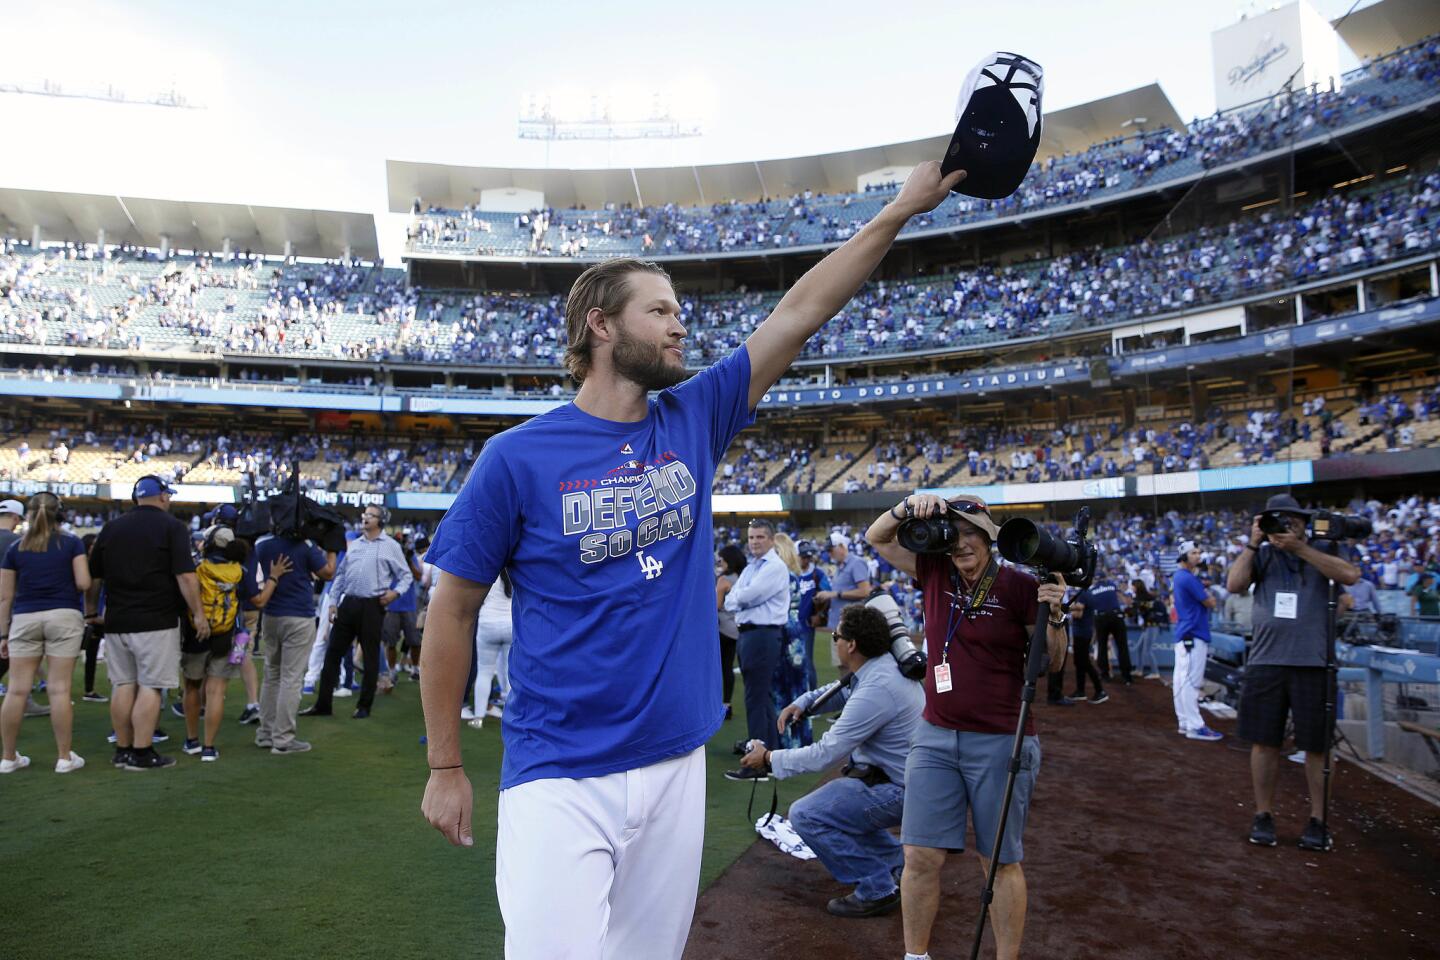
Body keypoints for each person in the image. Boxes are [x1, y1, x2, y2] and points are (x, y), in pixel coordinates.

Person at [418, 160, 963, 960]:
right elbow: (453, 610)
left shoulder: (694, 416)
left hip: (676, 762)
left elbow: (798, 314)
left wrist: (902, 209)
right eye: (661, 309)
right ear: (602, 326)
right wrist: (444, 764)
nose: (681, 325)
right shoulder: (515, 458)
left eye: (680, 309)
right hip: (559, 771)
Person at [866, 493, 1067, 960]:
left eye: (970, 532)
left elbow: (1052, 664)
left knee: (998, 860)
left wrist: (1054, 614)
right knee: (918, 855)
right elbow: (876, 537)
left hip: (1001, 738)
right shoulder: (934, 571)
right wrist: (906, 507)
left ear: (991, 537)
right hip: (935, 735)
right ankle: (915, 956)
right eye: (952, 532)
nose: (961, 543)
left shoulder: (1019, 586)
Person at [736, 604, 923, 918]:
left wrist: (768, 759)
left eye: (836, 635)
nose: (833, 640)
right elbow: (843, 689)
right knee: (841, 808)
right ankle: (896, 862)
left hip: (901, 789)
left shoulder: (877, 689)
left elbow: (823, 754)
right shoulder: (880, 666)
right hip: (901, 780)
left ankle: (877, 888)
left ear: (851, 645)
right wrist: (804, 702)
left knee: (807, 814)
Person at [1228, 493, 1360, 851]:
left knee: (1316, 746)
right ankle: (1263, 814)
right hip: (1266, 661)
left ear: (1303, 521)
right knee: (1263, 742)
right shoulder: (1263, 555)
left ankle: (1318, 820)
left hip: (1314, 662)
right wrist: (1253, 544)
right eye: (1277, 520)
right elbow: (1234, 584)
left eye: (1292, 520)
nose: (1285, 526)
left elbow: (1349, 575)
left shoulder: (1321, 550)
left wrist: (1301, 548)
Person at [89, 476, 209, 771]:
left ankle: (122, 749)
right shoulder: (172, 527)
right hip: (156, 619)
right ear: (163, 497)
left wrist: (91, 610)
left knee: (123, 684)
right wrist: (198, 613)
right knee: (151, 686)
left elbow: (94, 577)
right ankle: (142, 752)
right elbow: (185, 576)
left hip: (118, 619)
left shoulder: (111, 527)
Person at [0, 494, 92, 773]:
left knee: (16, 690)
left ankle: (8, 757)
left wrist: (3, 634)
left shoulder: (17, 547)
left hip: (25, 618)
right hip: (63, 615)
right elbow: (84, 582)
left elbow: (5, 597)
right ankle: (64, 757)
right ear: (59, 513)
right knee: (59, 689)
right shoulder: (71, 542)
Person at [180, 526, 288, 762]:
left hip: (196, 634)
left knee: (191, 687)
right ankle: (209, 747)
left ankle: (192, 741)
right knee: (217, 691)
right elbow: (258, 600)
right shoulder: (240, 570)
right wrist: (273, 577)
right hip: (229, 636)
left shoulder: (197, 568)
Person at [303, 505, 412, 720]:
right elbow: (341, 575)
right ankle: (323, 704)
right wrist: (333, 601)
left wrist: (394, 593)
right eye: (365, 514)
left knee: (370, 657)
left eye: (370, 515)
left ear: (381, 521)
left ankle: (364, 706)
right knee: (333, 653)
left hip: (373, 605)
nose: (365, 518)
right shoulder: (354, 545)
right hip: (348, 603)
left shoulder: (391, 546)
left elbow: (406, 575)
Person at [252, 524, 334, 755]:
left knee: (272, 675)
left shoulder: (263, 544)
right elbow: (328, 572)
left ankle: (266, 734)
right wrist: (332, 549)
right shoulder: (305, 547)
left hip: (271, 615)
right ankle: (283, 739)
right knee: (291, 678)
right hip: (298, 616)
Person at [724, 518, 791, 771]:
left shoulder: (773, 567)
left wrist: (737, 598)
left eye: (760, 537)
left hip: (762, 635)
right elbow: (733, 599)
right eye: (751, 537)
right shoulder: (754, 566)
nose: (754, 542)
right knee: (761, 699)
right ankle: (770, 756)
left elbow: (746, 597)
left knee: (755, 699)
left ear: (772, 540)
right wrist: (737, 599)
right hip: (750, 635)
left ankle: (756, 764)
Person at [767, 532, 813, 750]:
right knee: (796, 688)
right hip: (795, 631)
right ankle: (799, 739)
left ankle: (784, 742)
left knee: (781, 689)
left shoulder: (780, 575)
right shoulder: (793, 574)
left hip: (782, 629)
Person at [1172, 540, 1222, 742]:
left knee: (1181, 680)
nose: (1198, 556)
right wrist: (1207, 592)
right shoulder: (1188, 577)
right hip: (1193, 633)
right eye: (1194, 553)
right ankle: (1195, 725)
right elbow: (1210, 602)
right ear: (1184, 556)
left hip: (1185, 632)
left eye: (1199, 552)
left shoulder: (1180, 576)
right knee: (1191, 682)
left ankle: (1185, 722)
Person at [467, 570, 513, 727]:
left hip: (488, 623)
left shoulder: (486, 572)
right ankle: (511, 715)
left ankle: (478, 718)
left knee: (484, 672)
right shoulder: (514, 572)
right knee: (509, 672)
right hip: (510, 623)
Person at [818, 534, 873, 657]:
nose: (829, 553)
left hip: (851, 625)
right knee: (840, 663)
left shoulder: (856, 563)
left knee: (852, 664)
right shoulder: (839, 566)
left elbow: (865, 591)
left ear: (842, 546)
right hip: (838, 624)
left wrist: (834, 594)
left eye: (831, 549)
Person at [382, 531, 426, 683]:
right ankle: (392, 670)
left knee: (414, 641)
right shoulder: (387, 556)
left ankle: (415, 669)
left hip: (409, 605)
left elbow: (418, 576)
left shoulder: (410, 555)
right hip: (392, 605)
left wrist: (407, 560)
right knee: (391, 642)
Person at [794, 539, 831, 690]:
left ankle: (812, 698)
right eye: (803, 557)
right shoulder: (789, 573)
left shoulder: (817, 573)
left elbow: (827, 594)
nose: (806, 560)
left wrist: (821, 613)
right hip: (789, 623)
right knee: (792, 661)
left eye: (808, 557)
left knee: (807, 661)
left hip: (807, 624)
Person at [715, 544, 747, 720]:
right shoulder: (743, 577)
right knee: (728, 667)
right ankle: (727, 704)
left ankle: (714, 706)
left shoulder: (723, 580)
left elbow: (716, 606)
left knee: (717, 668)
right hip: (737, 628)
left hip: (721, 628)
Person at [1085, 568, 1131, 685]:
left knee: (1102, 646)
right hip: (1116, 616)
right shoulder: (1111, 585)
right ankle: (1126, 676)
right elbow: (1125, 601)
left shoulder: (1092, 590)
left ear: (1096, 579)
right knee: (1122, 646)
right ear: (1105, 578)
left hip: (1101, 618)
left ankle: (1105, 675)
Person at [1067, 583, 1108, 704]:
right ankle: (1080, 691)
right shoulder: (1087, 594)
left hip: (1082, 632)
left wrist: (1065, 610)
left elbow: (1078, 613)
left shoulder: (1083, 595)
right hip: (1083, 631)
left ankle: (1100, 690)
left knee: (1084, 662)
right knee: (1079, 662)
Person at [1130, 579, 1164, 679]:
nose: (1132, 587)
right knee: (1140, 649)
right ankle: (1139, 670)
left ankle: (1155, 672)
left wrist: (1137, 607)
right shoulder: (1140, 598)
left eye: (1133, 586)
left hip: (1152, 625)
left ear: (1137, 586)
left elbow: (1149, 608)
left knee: (1147, 650)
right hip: (1147, 626)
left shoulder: (1147, 597)